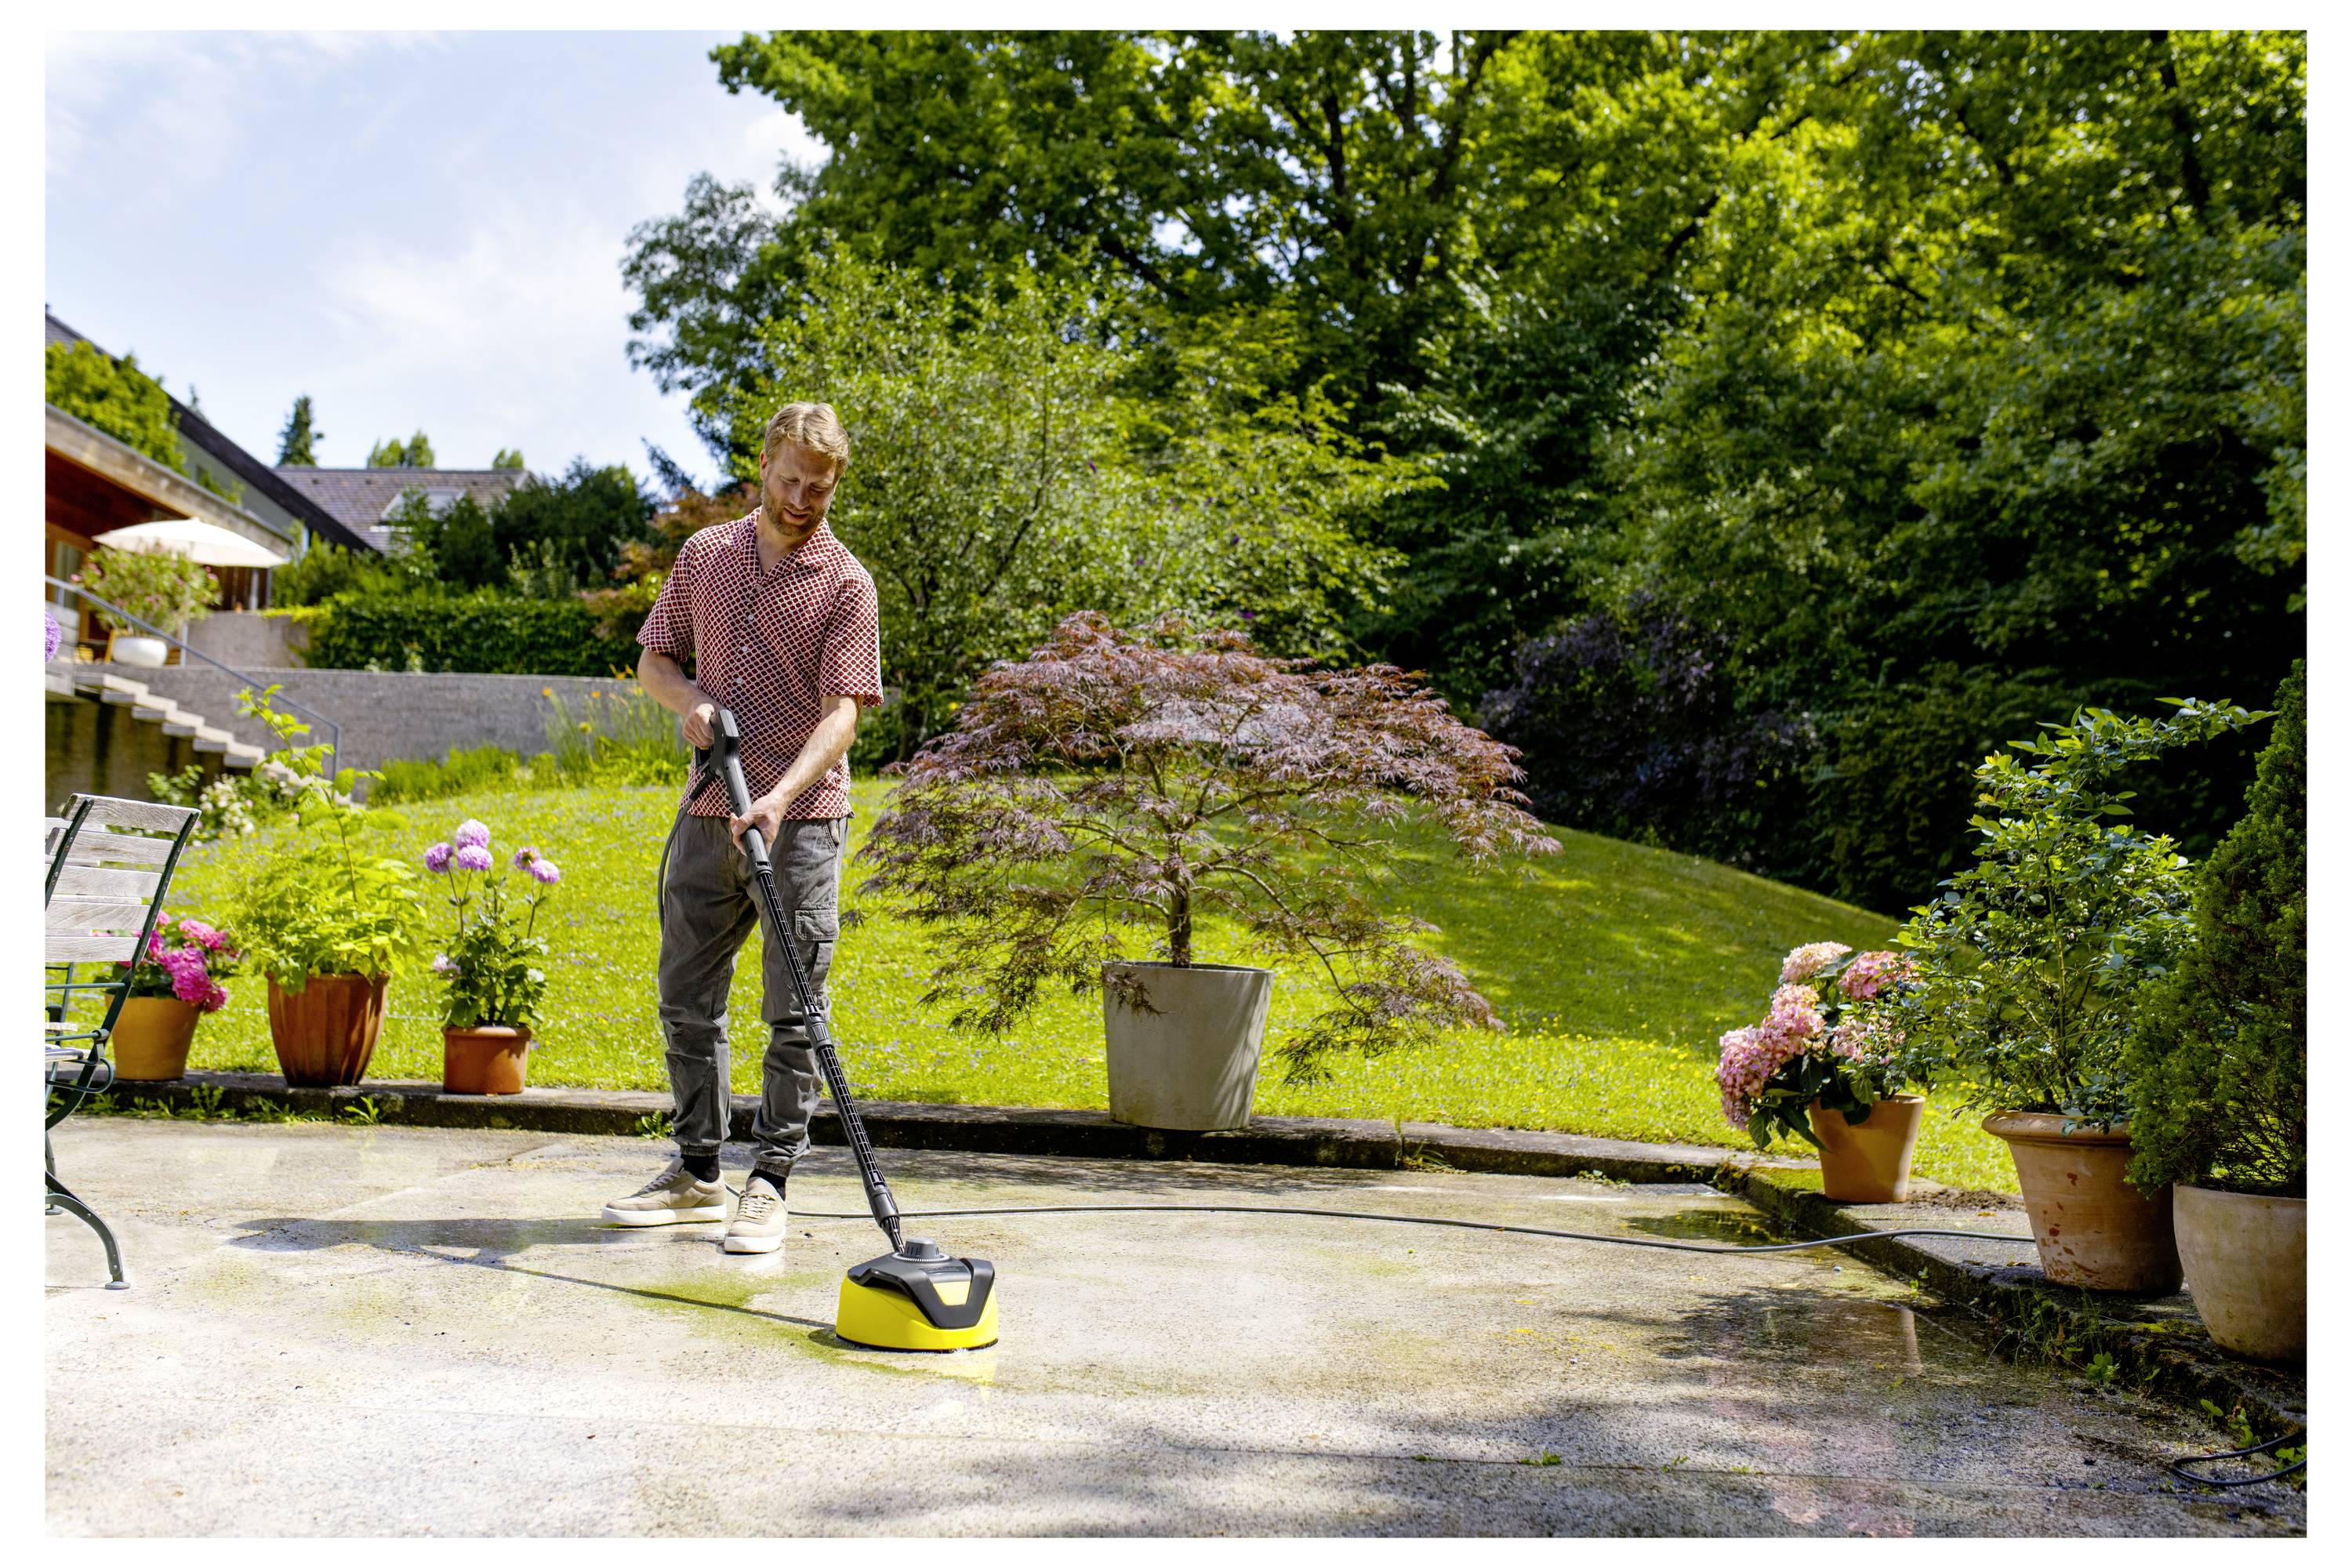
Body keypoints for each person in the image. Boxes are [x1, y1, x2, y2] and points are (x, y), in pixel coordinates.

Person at [602, 401, 882, 1254]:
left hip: (801, 823)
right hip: (706, 811)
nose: (802, 499)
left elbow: (843, 715)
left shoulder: (846, 583)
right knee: (687, 999)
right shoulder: (705, 556)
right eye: (791, 479)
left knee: (795, 1011)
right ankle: (696, 1172)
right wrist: (689, 704)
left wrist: (781, 793)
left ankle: (770, 1182)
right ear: (764, 464)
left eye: (820, 488)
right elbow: (657, 658)